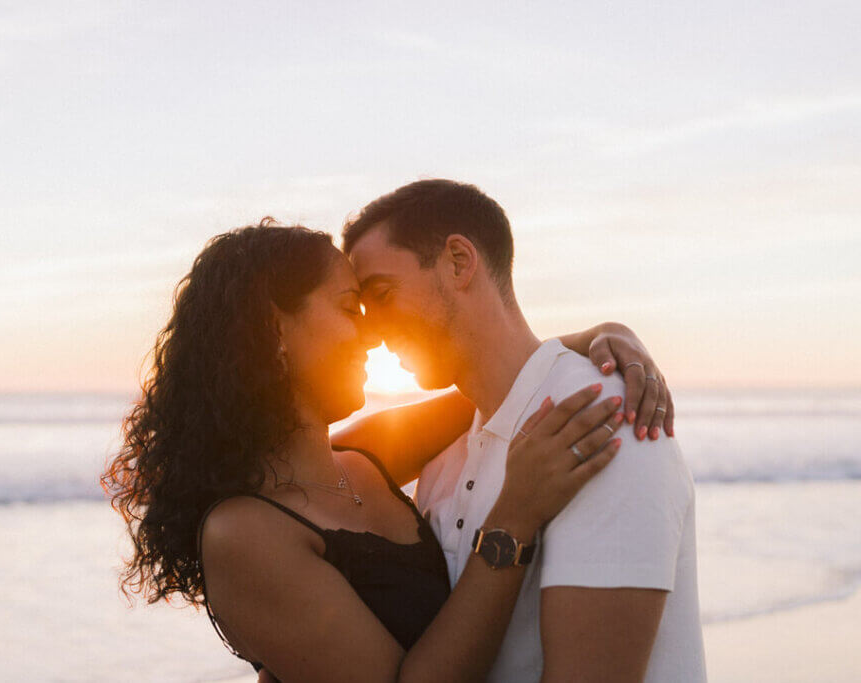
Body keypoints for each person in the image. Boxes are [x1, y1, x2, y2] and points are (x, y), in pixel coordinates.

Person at [101, 220, 675, 682]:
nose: (373, 335)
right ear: (275, 330)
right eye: (351, 309)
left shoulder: (363, 456)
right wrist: (513, 520)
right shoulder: (244, 533)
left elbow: (499, 382)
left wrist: (599, 336)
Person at [343, 179, 706, 682]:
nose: (374, 331)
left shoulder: (600, 420)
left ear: (458, 261)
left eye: (382, 294)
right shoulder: (444, 462)